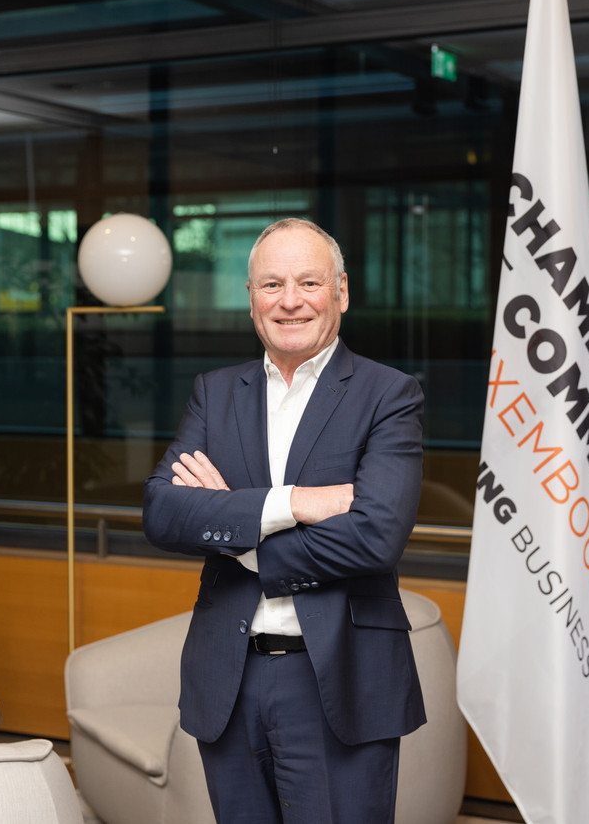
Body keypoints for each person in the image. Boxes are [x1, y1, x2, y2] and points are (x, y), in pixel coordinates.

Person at [142, 217, 426, 823]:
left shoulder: (388, 395)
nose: (290, 301)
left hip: (338, 679)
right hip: (230, 675)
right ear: (251, 299)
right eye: (271, 284)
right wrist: (294, 503)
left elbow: (374, 538)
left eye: (308, 282)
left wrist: (235, 530)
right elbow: (163, 512)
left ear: (341, 293)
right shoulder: (216, 395)